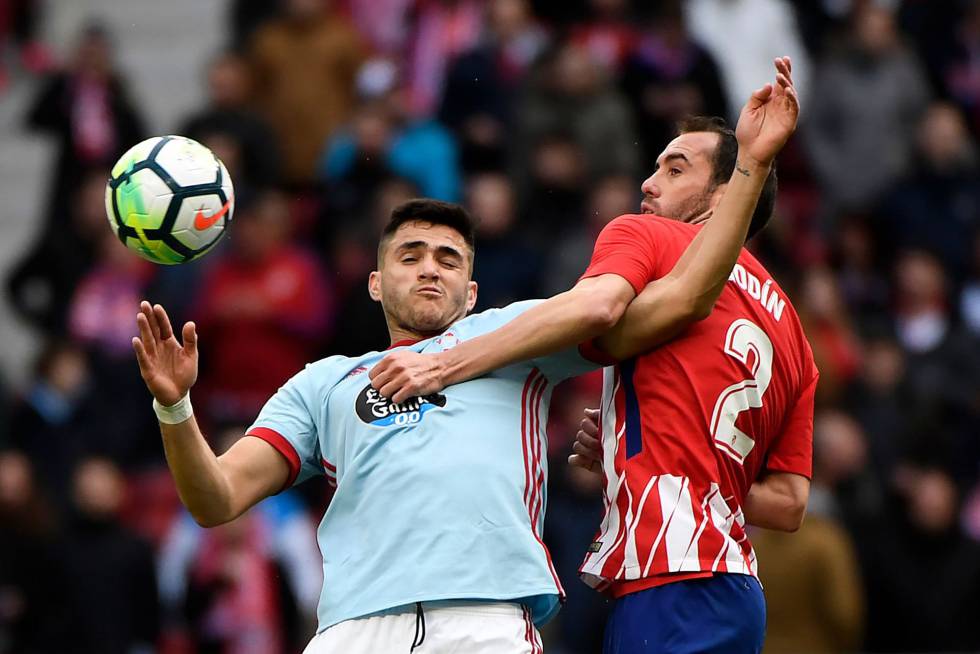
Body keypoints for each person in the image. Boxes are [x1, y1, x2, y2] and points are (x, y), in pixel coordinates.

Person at [131, 62, 790, 650]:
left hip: (487, 624)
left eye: (448, 260)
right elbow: (216, 499)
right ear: (374, 281)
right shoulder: (322, 384)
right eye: (409, 256)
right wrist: (174, 405)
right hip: (355, 631)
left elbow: (675, 302)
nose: (428, 270)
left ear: (472, 290)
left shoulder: (521, 333)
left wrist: (746, 176)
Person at [370, 57, 807, 653]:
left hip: (670, 572)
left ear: (727, 194)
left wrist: (441, 363)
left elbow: (593, 309)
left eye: (674, 169)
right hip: (736, 587)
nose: (649, 183)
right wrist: (647, 452)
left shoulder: (649, 235)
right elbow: (786, 504)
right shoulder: (792, 330)